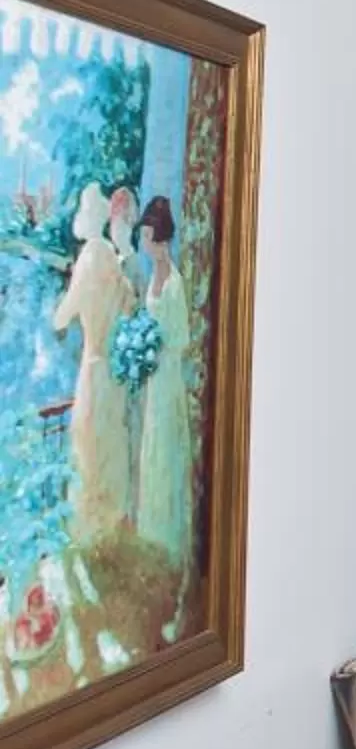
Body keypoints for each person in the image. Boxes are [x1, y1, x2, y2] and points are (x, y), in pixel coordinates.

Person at [50, 183, 133, 543]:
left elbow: (62, 315)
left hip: (93, 366)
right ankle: (110, 524)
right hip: (111, 369)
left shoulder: (89, 257)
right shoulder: (111, 258)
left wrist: (61, 313)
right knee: (109, 442)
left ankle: (90, 530)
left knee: (89, 445)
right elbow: (129, 305)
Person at [135, 196, 197, 567]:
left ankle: (169, 541)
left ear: (161, 240)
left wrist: (157, 346)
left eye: (147, 237)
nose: (144, 244)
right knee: (152, 447)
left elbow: (183, 338)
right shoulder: (153, 279)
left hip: (168, 376)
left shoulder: (175, 284)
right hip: (155, 378)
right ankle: (151, 532)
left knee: (166, 448)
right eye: (143, 237)